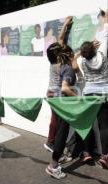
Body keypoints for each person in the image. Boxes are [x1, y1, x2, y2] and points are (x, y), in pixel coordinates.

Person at [77, 9, 108, 168]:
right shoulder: (102, 55)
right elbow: (105, 35)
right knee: (103, 125)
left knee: (87, 123)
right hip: (103, 93)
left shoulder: (83, 62)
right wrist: (107, 20)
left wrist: (87, 48)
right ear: (94, 49)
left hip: (88, 94)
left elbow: (79, 56)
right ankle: (104, 156)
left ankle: (86, 153)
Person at [46, 45, 77, 179]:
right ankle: (53, 166)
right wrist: (78, 99)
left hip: (56, 102)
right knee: (61, 135)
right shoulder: (67, 68)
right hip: (62, 104)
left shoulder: (57, 65)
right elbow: (65, 89)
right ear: (69, 54)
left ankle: (56, 160)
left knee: (60, 132)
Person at [44, 17, 72, 153]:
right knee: (58, 121)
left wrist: (66, 24)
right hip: (57, 94)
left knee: (54, 119)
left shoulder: (53, 61)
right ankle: (51, 143)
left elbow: (60, 39)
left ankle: (52, 142)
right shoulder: (62, 65)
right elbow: (74, 67)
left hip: (50, 92)